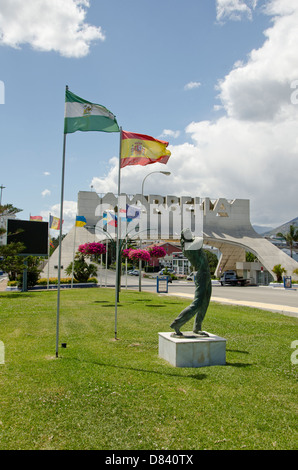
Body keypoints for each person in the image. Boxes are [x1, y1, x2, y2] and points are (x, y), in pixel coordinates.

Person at [170, 228, 211, 337]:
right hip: (201, 275)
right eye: (188, 234)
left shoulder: (192, 244)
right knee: (197, 303)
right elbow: (200, 239)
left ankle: (197, 327)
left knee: (205, 303)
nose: (190, 234)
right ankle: (177, 323)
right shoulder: (189, 247)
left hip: (206, 274)